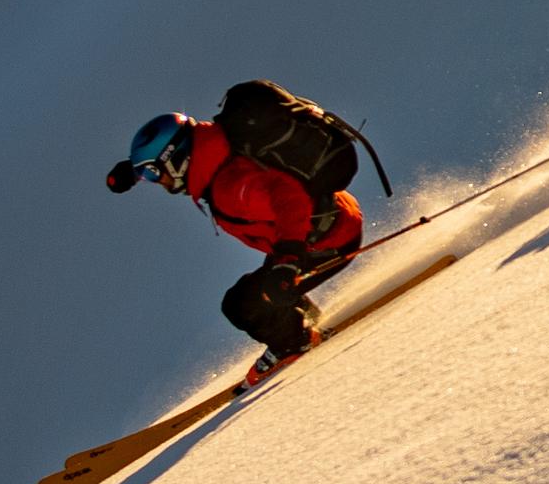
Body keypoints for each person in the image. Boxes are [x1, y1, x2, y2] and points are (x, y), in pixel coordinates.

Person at [107, 101, 365, 368]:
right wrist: (134, 170)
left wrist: (288, 259)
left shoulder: (230, 188)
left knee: (241, 306)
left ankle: (295, 343)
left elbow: (289, 197)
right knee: (263, 286)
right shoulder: (220, 150)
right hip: (330, 220)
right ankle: (300, 318)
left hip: (328, 240)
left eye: (155, 175)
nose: (161, 184)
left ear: (176, 161)